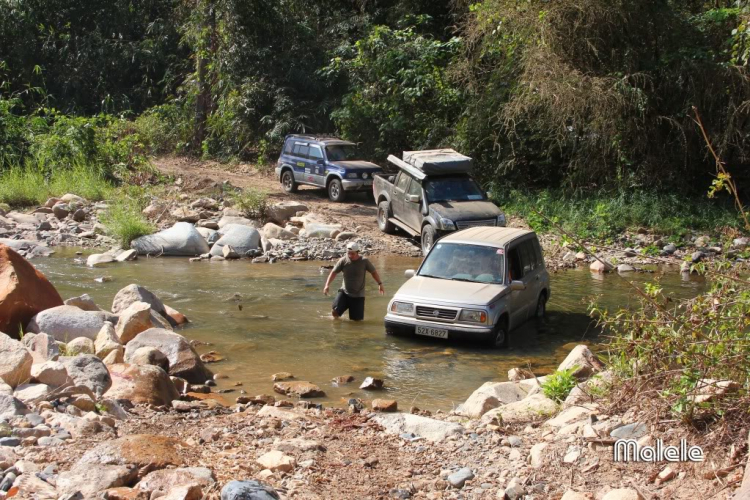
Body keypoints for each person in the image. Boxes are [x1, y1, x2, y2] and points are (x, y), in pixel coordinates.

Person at [323, 242, 384, 320]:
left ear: (357, 252)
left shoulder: (364, 261)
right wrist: (327, 285)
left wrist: (380, 284)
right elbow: (333, 272)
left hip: (358, 295)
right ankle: (336, 326)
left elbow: (373, 272)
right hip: (344, 292)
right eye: (349, 253)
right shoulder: (343, 260)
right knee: (335, 312)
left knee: (356, 322)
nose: (350, 255)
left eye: (352, 253)